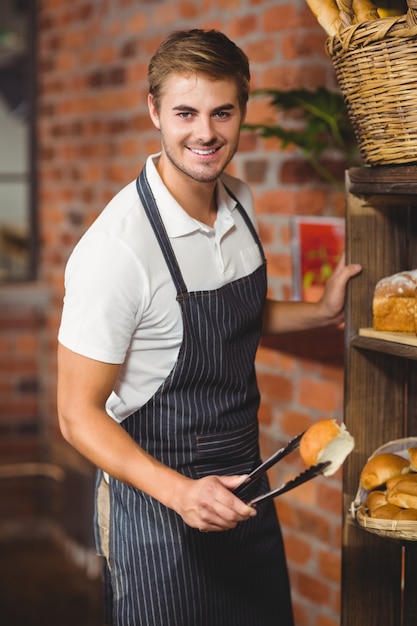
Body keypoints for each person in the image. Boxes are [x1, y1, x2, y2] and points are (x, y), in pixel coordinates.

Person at [57, 28, 361, 626]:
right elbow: (76, 414)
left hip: (244, 489)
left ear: (242, 109)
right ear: (154, 111)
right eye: (185, 113)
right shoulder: (119, 249)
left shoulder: (239, 201)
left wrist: (319, 312)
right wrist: (180, 493)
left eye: (223, 112)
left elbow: (232, 318)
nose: (206, 133)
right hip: (156, 511)